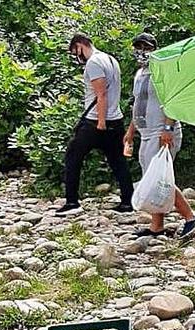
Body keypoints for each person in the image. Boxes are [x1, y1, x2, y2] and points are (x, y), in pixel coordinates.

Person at [123, 33, 195, 238]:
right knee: (152, 179)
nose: (141, 51)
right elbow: (137, 104)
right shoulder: (140, 73)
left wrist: (168, 128)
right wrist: (131, 132)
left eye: (146, 47)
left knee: (160, 179)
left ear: (154, 49)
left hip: (162, 131)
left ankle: (191, 217)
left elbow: (172, 101)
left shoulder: (163, 69)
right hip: (146, 132)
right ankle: (156, 226)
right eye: (138, 47)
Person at [57, 34, 134, 216]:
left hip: (96, 122)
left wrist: (100, 122)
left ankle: (72, 201)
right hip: (116, 119)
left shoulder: (94, 63)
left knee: (72, 157)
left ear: (80, 45)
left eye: (76, 52)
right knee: (118, 161)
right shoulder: (111, 59)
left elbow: (101, 95)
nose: (78, 57)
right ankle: (127, 201)